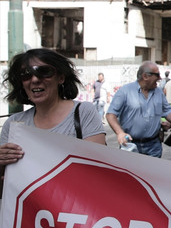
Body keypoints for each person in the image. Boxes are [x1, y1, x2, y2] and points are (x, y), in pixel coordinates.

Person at [0, 48, 106, 192]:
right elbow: (6, 189)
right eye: (26, 75)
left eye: (44, 72)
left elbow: (97, 168)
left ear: (61, 77)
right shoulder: (13, 124)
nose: (35, 79)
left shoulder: (83, 112)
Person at [106, 61, 171, 157]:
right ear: (145, 76)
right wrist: (120, 133)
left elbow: (167, 111)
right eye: (157, 75)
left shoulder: (158, 92)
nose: (160, 78)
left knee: (152, 172)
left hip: (153, 146)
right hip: (130, 145)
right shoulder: (125, 91)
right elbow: (110, 114)